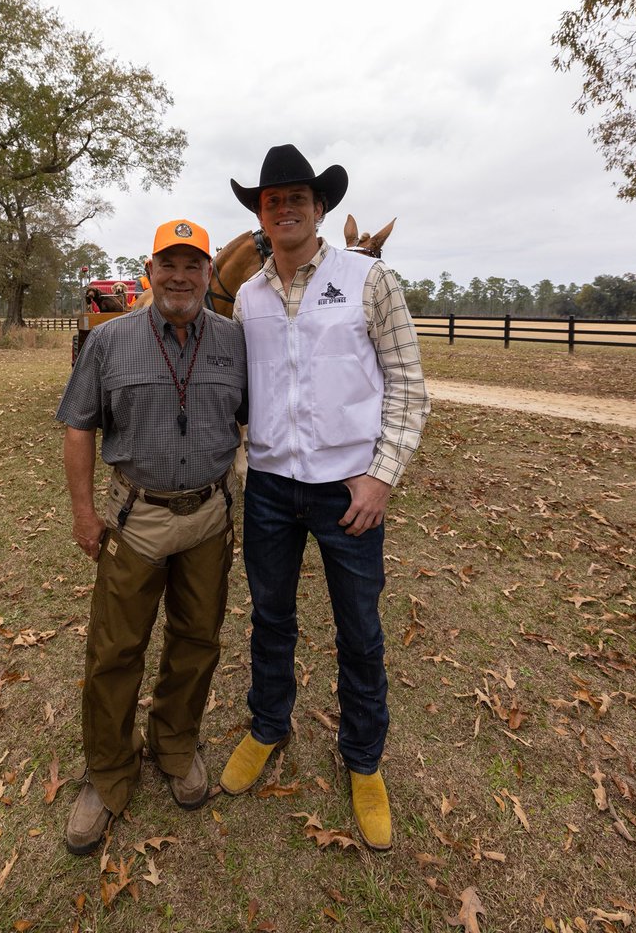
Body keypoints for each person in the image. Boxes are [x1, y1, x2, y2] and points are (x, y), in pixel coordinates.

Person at [219, 145, 429, 850]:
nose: (285, 209)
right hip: (270, 488)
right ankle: (267, 727)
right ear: (260, 213)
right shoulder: (247, 298)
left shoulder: (369, 280)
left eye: (297, 199)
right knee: (270, 619)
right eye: (272, 200)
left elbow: (407, 383)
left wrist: (382, 475)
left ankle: (363, 761)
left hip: (348, 491)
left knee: (360, 631)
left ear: (320, 208)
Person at [56, 218, 247, 855]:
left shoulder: (234, 341)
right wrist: (84, 514)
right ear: (150, 269)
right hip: (137, 519)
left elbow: (262, 416)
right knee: (115, 650)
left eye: (193, 265)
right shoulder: (110, 340)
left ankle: (176, 745)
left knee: (197, 640)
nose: (181, 277)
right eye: (170, 263)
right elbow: (78, 425)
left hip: (210, 518)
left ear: (208, 272)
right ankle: (109, 772)